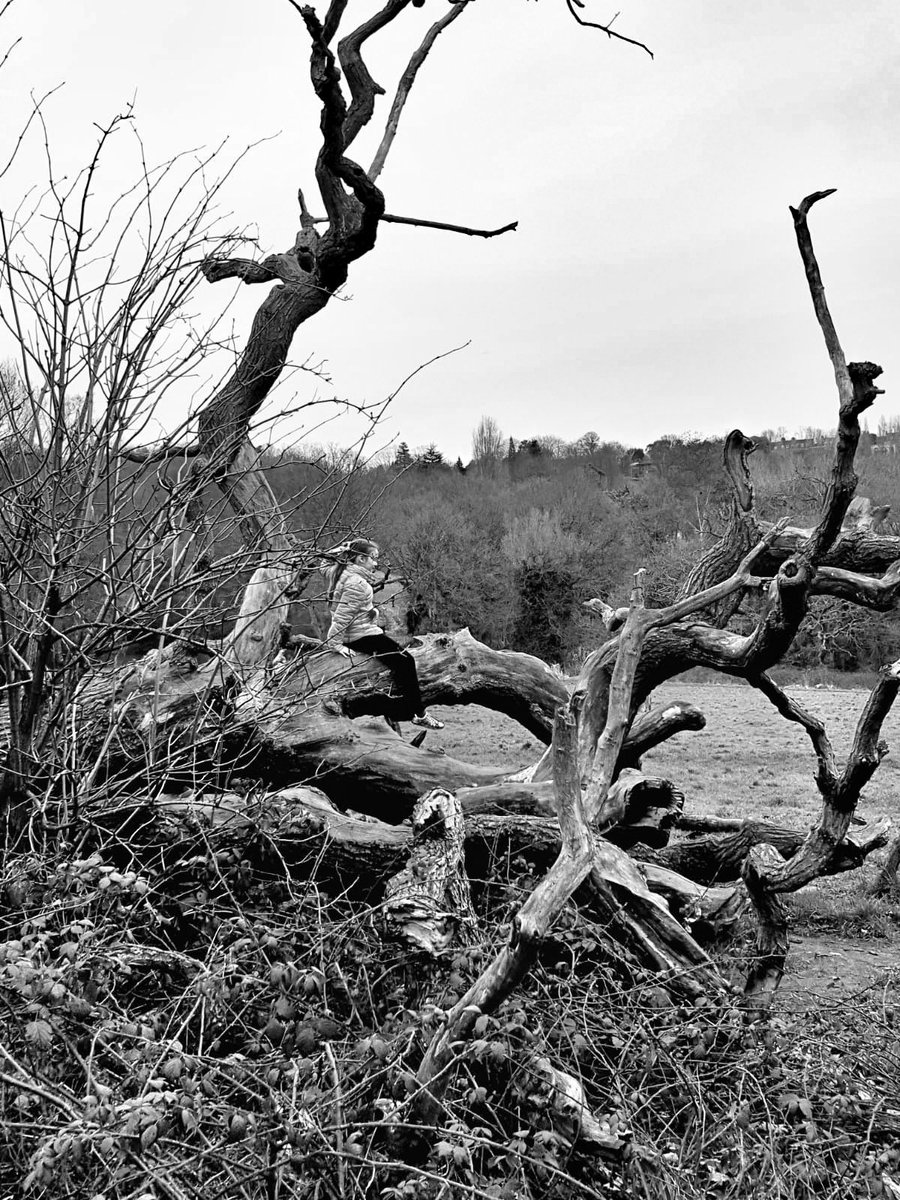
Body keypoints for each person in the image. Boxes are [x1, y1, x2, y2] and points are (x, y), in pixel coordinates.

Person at [324, 538, 444, 730]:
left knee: (399, 657)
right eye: (372, 558)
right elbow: (342, 617)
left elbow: (325, 562)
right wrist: (335, 644)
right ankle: (419, 714)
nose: (376, 563)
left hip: (360, 631)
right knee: (406, 662)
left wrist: (343, 547)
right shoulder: (357, 584)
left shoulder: (340, 572)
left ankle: (406, 710)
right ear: (360, 559)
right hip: (359, 636)